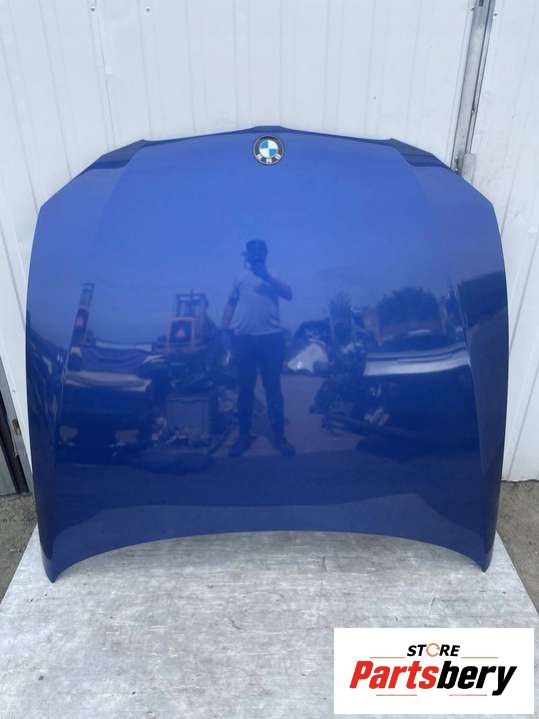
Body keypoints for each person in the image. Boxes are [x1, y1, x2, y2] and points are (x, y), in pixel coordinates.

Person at [222, 239, 295, 457]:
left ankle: (279, 437)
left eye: (260, 251)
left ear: (265, 253)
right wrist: (224, 330)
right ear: (247, 255)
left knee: (273, 388)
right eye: (252, 251)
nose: (256, 254)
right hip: (244, 339)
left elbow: (289, 294)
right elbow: (230, 304)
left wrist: (267, 277)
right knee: (245, 390)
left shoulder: (274, 274)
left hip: (271, 339)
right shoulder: (239, 277)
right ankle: (243, 436)